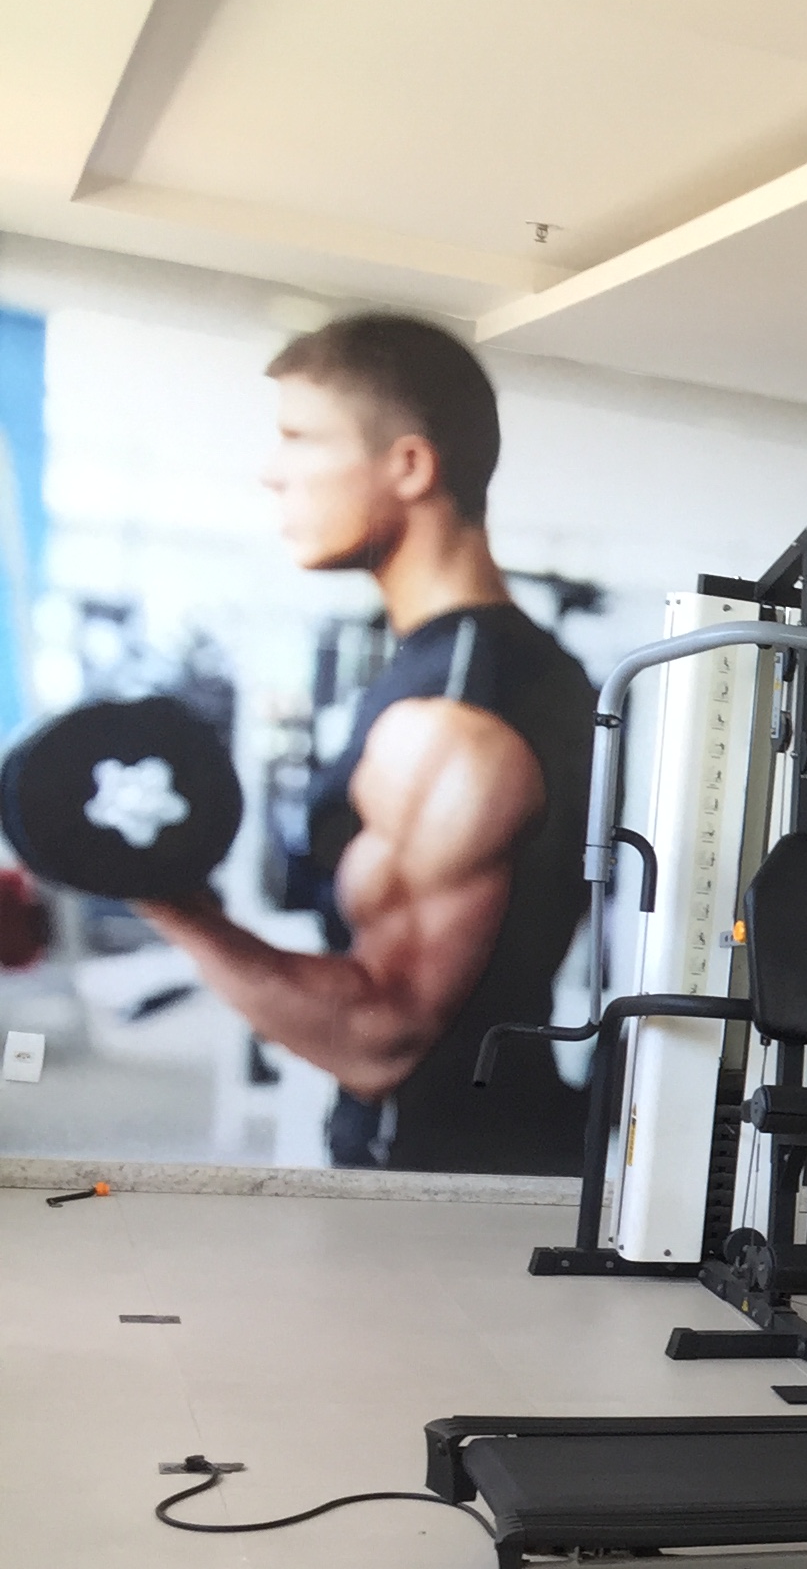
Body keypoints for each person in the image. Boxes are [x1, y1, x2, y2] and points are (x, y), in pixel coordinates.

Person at [135, 313, 592, 1171]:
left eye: (300, 439)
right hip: (480, 1164)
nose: (271, 472)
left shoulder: (455, 720)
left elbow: (381, 1036)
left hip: (441, 1185)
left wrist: (168, 905)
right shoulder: (490, 669)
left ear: (410, 465)